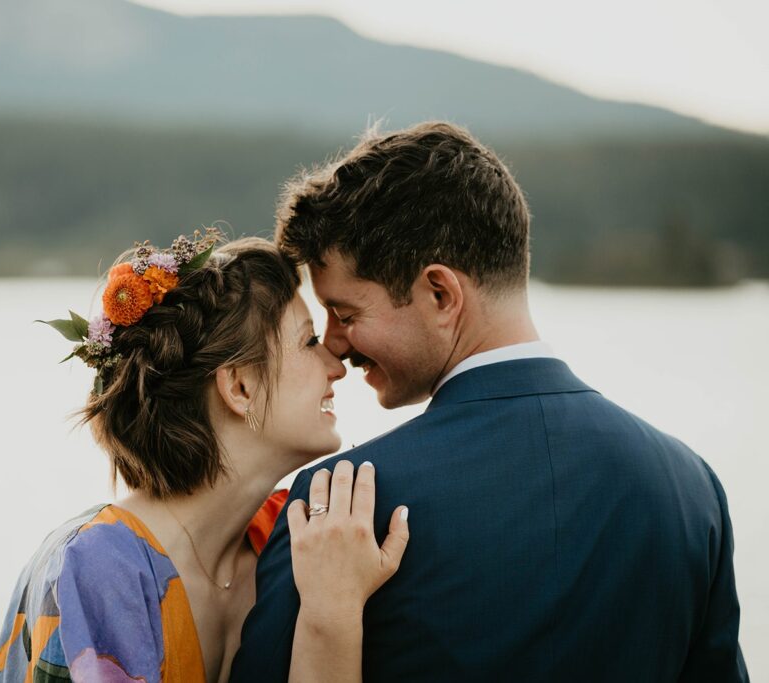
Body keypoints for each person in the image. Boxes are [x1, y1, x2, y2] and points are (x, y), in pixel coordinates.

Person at [231, 122, 748, 682]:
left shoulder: (338, 506)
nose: (334, 343)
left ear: (440, 294)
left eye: (347, 314)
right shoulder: (691, 488)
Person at [0, 234, 410, 683]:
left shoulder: (293, 540)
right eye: (308, 342)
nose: (337, 365)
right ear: (240, 387)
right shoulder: (99, 568)